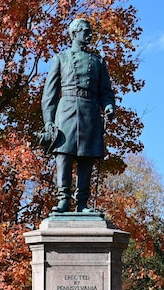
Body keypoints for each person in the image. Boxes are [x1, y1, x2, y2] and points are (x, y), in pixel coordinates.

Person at [41, 18, 115, 213]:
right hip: (66, 111)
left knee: (87, 157)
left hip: (90, 112)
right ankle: (63, 199)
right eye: (85, 30)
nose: (89, 33)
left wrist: (108, 106)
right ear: (74, 33)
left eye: (90, 30)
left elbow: (106, 92)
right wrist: (48, 121)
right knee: (64, 155)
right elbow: (49, 94)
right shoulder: (61, 59)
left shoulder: (98, 62)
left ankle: (82, 202)